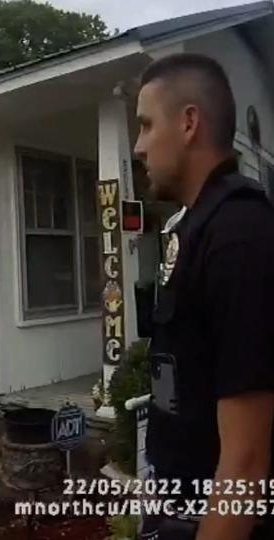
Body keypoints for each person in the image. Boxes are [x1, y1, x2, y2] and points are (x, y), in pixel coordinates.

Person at [135, 53, 274, 539]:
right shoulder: (193, 228)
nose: (138, 146)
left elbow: (247, 458)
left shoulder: (240, 233)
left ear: (189, 122)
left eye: (147, 126)